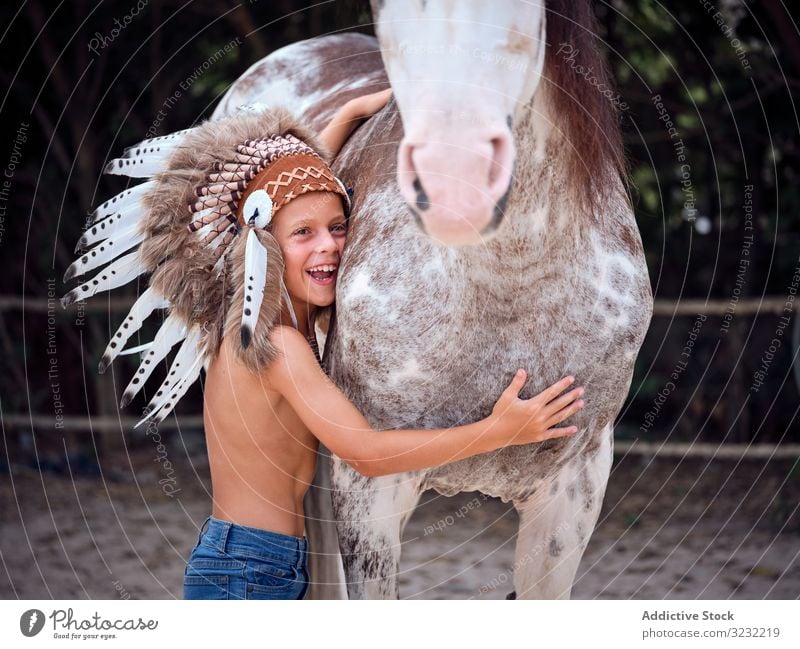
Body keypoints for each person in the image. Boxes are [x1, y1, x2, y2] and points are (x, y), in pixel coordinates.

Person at [62, 89, 584, 601]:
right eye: (305, 234)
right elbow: (365, 453)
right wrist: (497, 431)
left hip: (251, 563)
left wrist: (352, 113)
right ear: (262, 245)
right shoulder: (278, 345)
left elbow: (292, 199)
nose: (329, 243)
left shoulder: (242, 321)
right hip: (248, 571)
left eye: (338, 227)